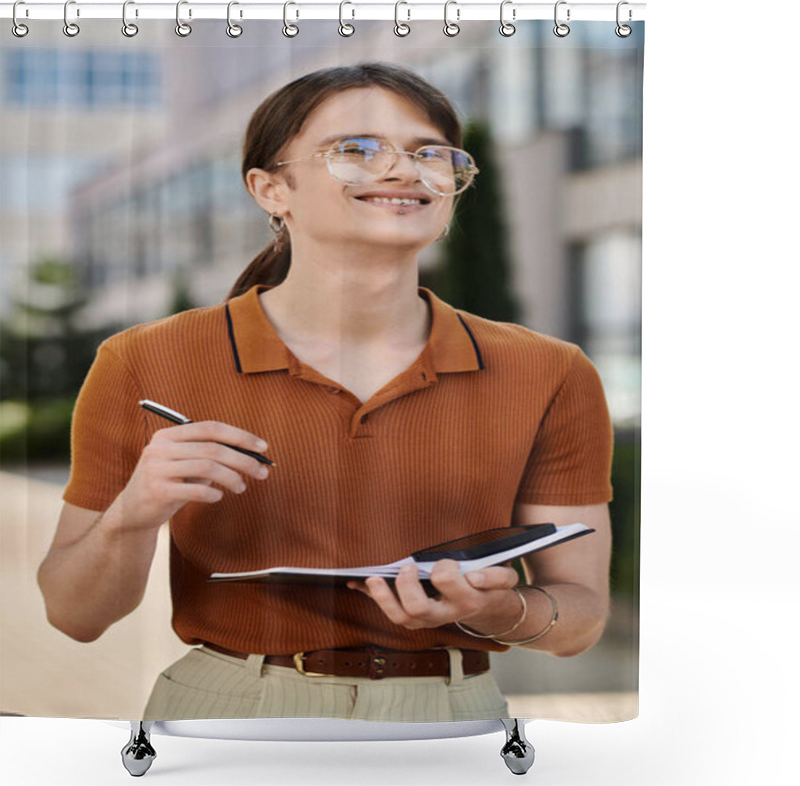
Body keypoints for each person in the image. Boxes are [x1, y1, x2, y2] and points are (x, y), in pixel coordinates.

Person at [37, 62, 614, 723]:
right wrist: (133, 513)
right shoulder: (144, 360)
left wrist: (496, 610)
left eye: (431, 154)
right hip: (227, 717)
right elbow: (73, 615)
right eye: (358, 151)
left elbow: (580, 621)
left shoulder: (549, 371)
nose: (405, 171)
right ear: (270, 188)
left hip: (455, 720)